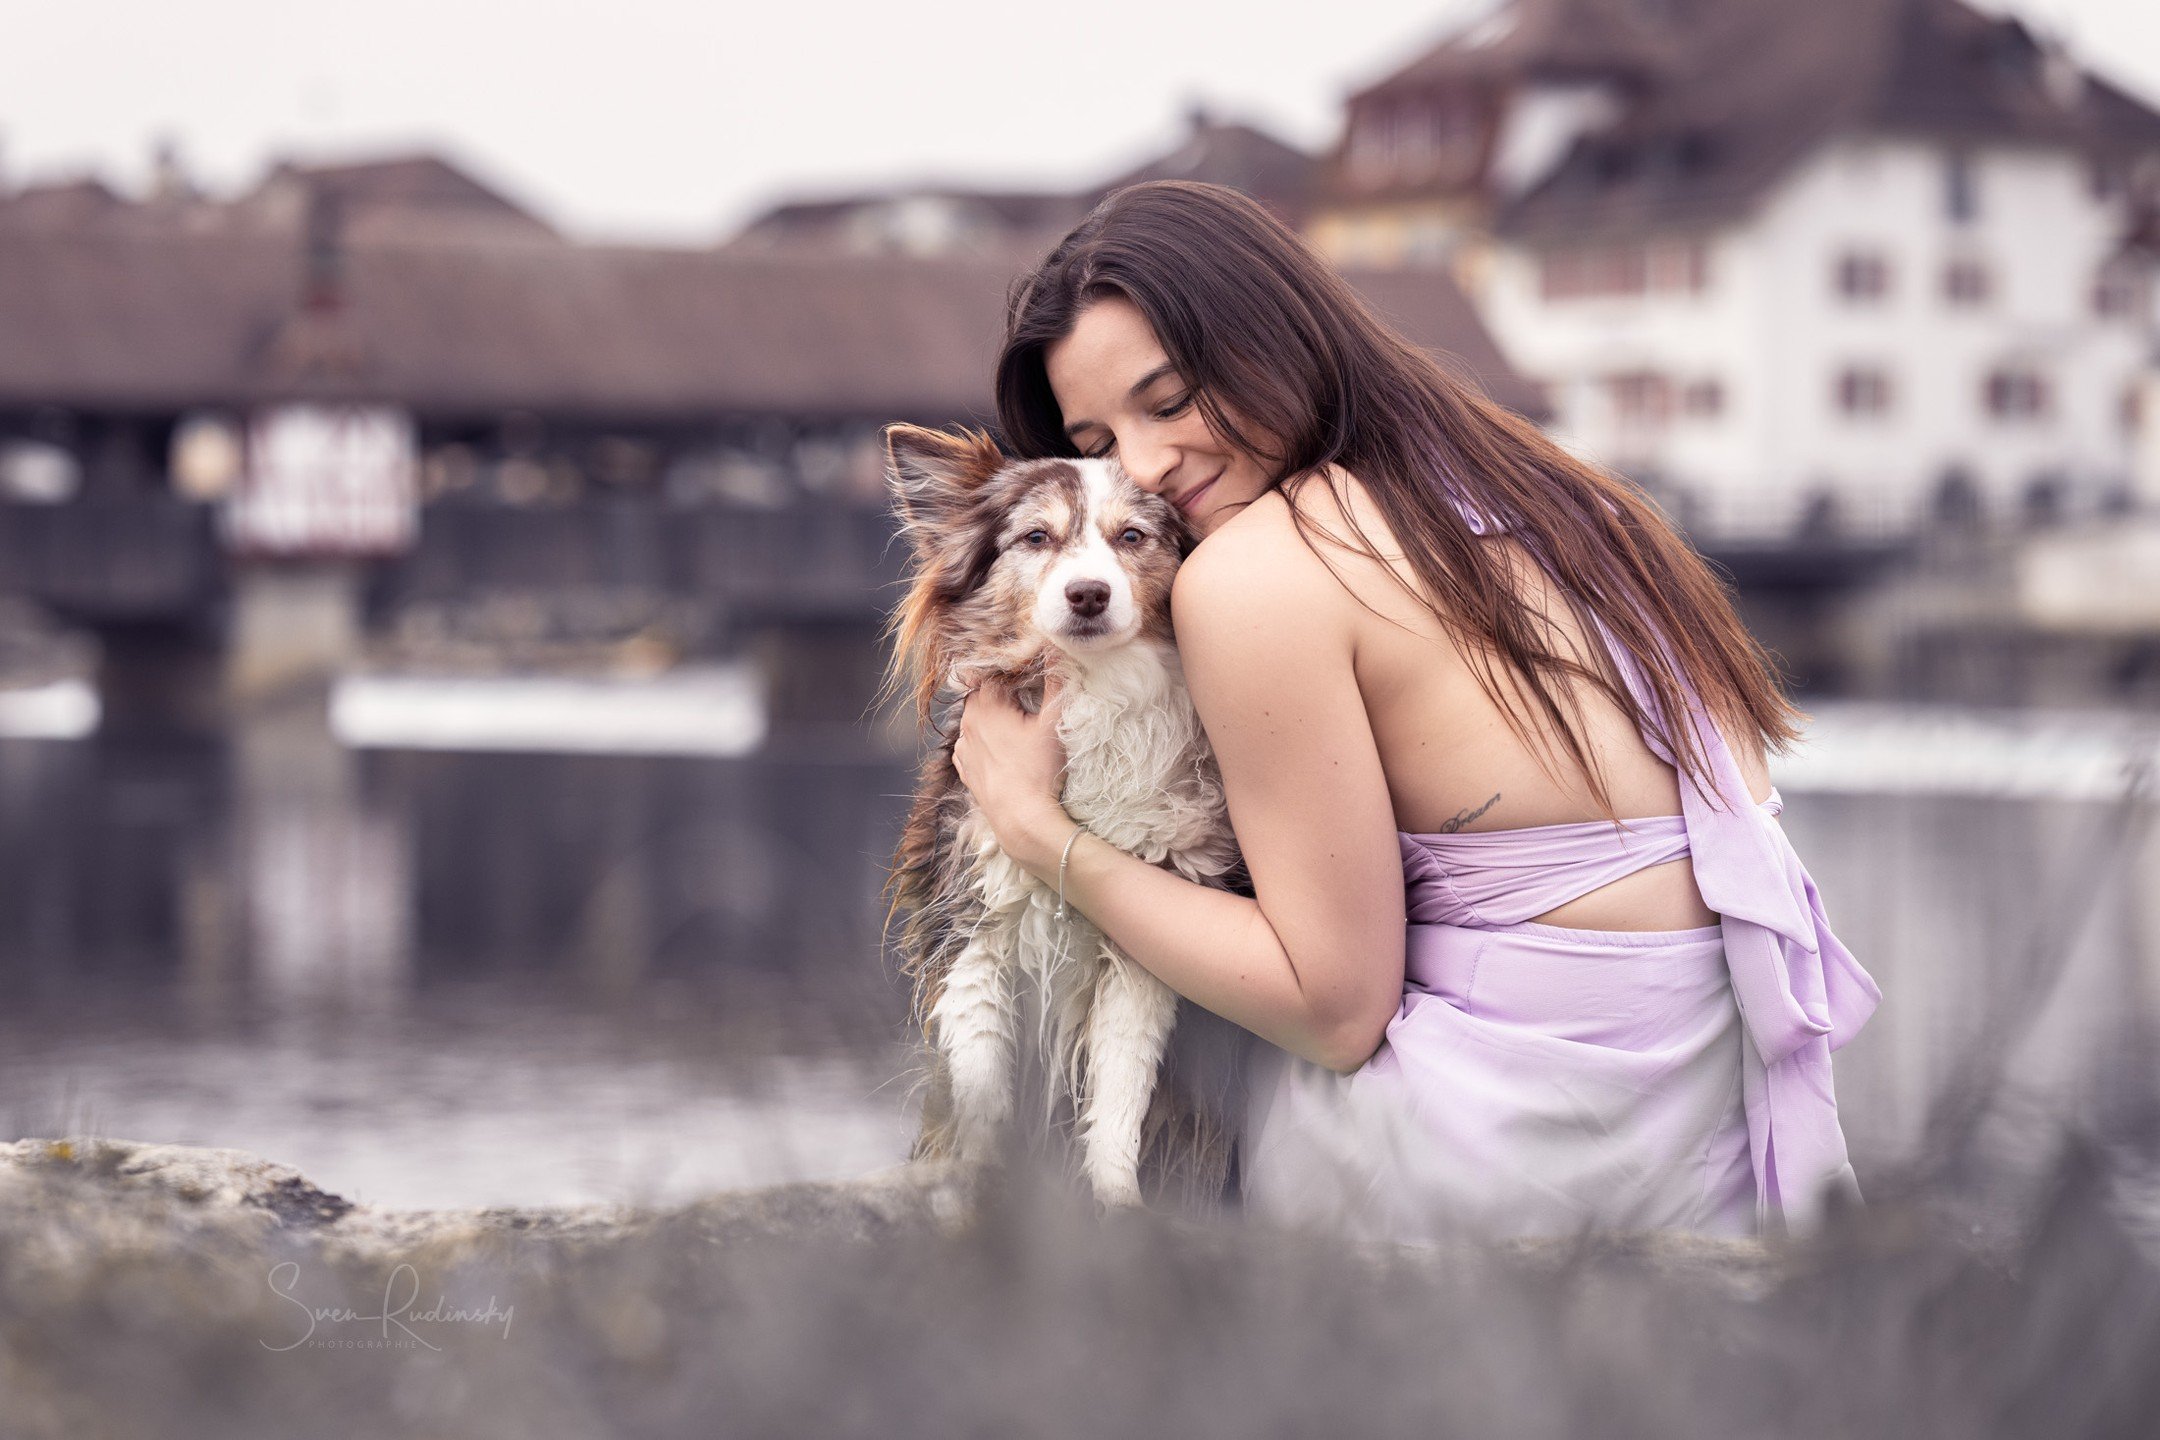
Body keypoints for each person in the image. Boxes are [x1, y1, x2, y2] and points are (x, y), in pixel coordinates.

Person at [951, 180, 1881, 1241]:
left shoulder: (1256, 575)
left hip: (1506, 1156)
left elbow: (1335, 1009)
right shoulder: (1548, 493)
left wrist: (1043, 833)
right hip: (1700, 1129)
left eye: (1168, 403)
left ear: (1271, 338)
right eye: (1099, 441)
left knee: (1140, 1014)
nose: (1147, 466)